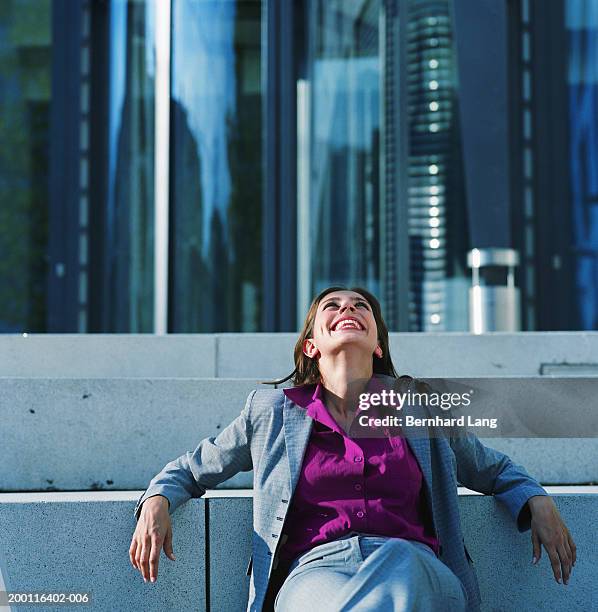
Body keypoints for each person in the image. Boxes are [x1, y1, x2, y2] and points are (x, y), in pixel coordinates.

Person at [129, 286, 576, 611]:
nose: (349, 308)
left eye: (361, 306)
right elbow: (192, 468)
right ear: (312, 345)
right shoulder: (271, 412)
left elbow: (493, 470)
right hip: (314, 575)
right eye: (334, 306)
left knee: (399, 563)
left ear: (378, 344)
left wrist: (535, 499)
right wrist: (156, 500)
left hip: (416, 566)